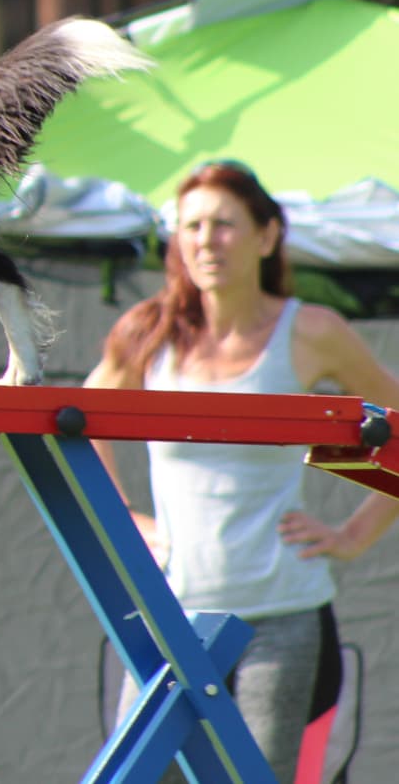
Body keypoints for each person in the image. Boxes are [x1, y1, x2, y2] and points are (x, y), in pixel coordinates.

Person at [85, 160, 399, 782]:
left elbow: (396, 432)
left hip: (282, 619)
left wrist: (354, 536)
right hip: (169, 617)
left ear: (267, 236)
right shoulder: (148, 333)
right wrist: (124, 517)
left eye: (224, 224)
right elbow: (79, 423)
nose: (206, 240)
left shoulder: (312, 331)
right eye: (192, 225)